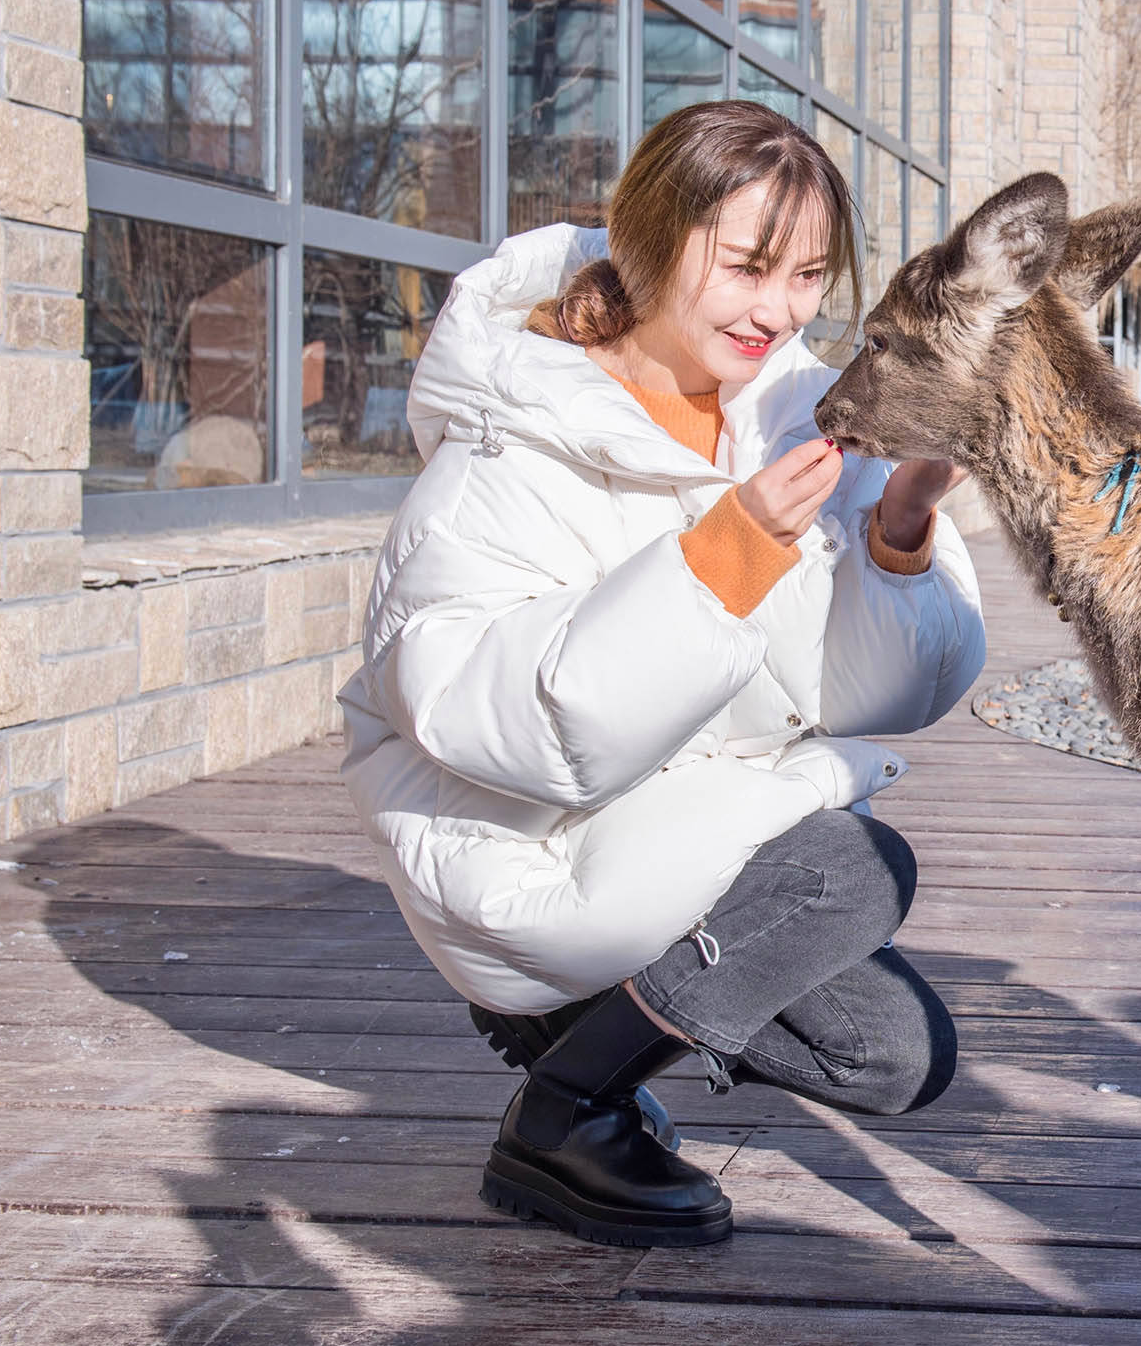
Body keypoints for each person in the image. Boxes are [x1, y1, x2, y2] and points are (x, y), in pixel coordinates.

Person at [338, 101, 983, 1248]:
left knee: (892, 1056)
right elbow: (499, 725)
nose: (779, 311)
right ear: (647, 242)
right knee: (848, 871)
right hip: (527, 830)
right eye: (747, 267)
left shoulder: (786, 410)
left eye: (808, 277)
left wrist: (898, 527)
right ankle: (564, 1112)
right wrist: (725, 554)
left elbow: (875, 697)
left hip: (675, 809)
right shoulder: (509, 443)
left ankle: (581, 1030)